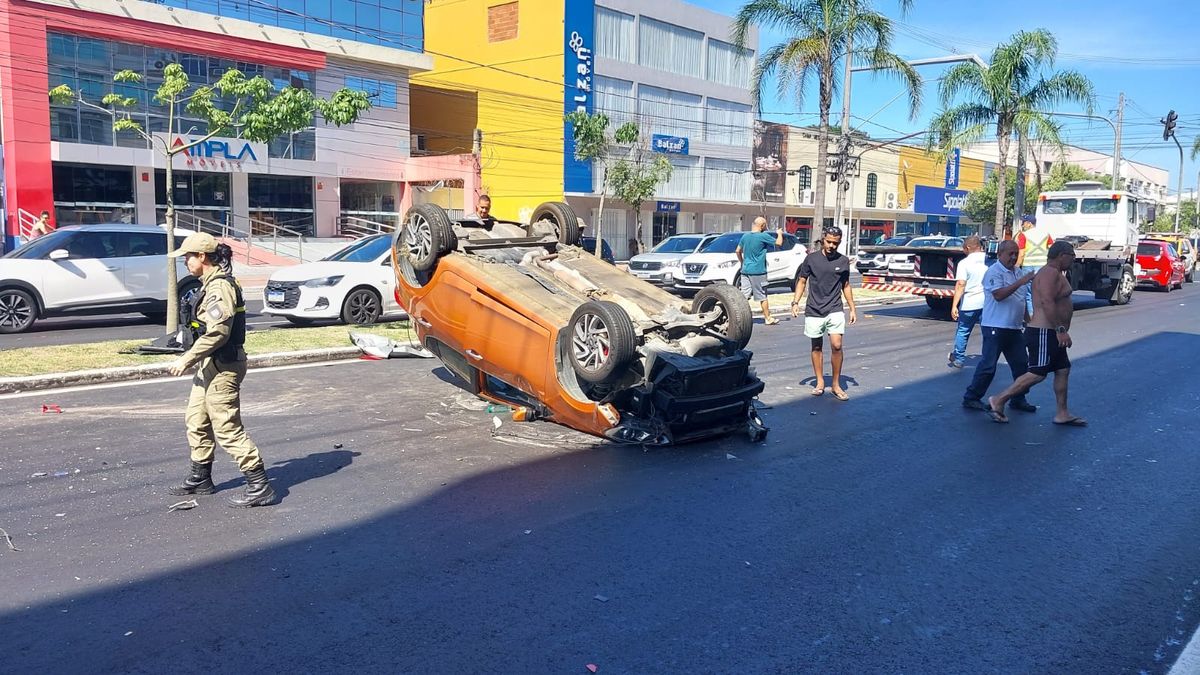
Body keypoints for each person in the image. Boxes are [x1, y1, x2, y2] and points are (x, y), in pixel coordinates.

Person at [167, 232, 276, 508]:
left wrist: (186, 359)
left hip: (224, 365)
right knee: (196, 420)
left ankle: (259, 485)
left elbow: (218, 332)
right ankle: (200, 477)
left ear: (202, 257)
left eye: (188, 257)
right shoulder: (208, 284)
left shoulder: (219, 288)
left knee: (227, 427)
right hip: (210, 364)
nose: (185, 262)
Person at [988, 241, 1086, 425]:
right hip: (1045, 331)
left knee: (1062, 369)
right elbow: (1047, 302)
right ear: (1061, 255)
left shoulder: (1054, 273)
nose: (1073, 260)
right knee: (1037, 373)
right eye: (1071, 256)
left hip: (1050, 331)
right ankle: (999, 399)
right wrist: (1060, 330)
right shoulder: (1049, 273)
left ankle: (1062, 413)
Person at [962, 239, 1038, 415]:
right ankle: (971, 397)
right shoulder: (993, 272)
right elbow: (999, 295)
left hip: (1014, 327)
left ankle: (1018, 399)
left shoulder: (1018, 273)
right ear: (1000, 254)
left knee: (1021, 365)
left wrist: (1028, 321)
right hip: (995, 326)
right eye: (1010, 254)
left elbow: (1021, 301)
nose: (1013, 257)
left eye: (1016, 254)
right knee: (988, 366)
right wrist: (1022, 281)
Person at [791, 225, 856, 401]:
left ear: (840, 242)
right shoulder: (811, 259)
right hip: (814, 309)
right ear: (823, 239)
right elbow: (802, 281)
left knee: (836, 345)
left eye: (835, 243)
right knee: (817, 346)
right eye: (828, 242)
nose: (831, 246)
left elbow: (846, 285)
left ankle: (836, 385)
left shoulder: (843, 261)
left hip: (834, 308)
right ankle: (820, 382)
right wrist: (795, 302)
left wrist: (852, 308)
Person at [736, 216, 784, 325]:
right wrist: (779, 233)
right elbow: (779, 243)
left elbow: (738, 250)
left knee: (744, 295)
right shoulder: (763, 236)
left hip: (745, 271)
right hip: (758, 271)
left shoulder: (745, 236)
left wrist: (742, 262)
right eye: (765, 225)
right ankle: (768, 318)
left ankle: (739, 317)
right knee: (762, 296)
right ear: (762, 226)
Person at [948, 235, 987, 368]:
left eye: (964, 248)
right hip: (987, 303)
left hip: (970, 303)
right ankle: (988, 357)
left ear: (969, 247)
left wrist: (954, 305)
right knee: (987, 331)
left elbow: (961, 284)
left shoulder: (964, 263)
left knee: (963, 330)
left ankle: (959, 358)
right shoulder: (989, 260)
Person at [1015, 213, 1054, 318]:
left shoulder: (1024, 235)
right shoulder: (1046, 234)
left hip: (1028, 266)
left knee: (1029, 294)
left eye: (1023, 223)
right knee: (1043, 292)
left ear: (1029, 224)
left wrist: (1016, 266)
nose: (1022, 225)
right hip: (1043, 266)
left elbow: (1021, 253)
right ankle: (1044, 317)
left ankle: (1033, 318)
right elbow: (1052, 248)